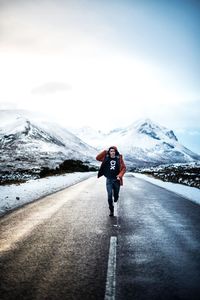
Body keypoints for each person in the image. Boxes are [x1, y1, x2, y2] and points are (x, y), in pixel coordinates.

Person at [96, 146, 126, 217]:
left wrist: (120, 175)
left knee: (116, 196)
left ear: (115, 152)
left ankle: (116, 198)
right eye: (111, 151)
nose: (112, 152)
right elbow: (97, 158)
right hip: (109, 180)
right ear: (109, 152)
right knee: (109, 196)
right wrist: (105, 151)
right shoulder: (106, 158)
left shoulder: (119, 159)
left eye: (113, 151)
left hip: (117, 180)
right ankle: (111, 210)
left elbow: (124, 168)